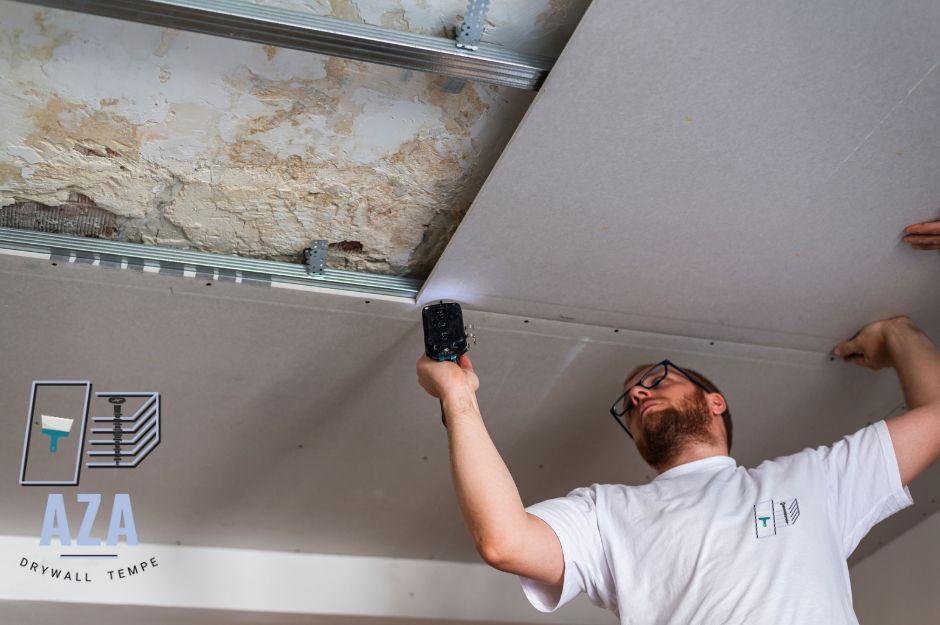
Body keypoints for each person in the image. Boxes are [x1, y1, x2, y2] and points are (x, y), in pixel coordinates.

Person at [415, 315, 940, 624]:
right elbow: (504, 542)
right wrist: (458, 399)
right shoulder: (606, 513)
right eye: (630, 401)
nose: (639, 393)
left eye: (656, 379)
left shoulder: (814, 480)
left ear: (715, 402)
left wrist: (898, 334)